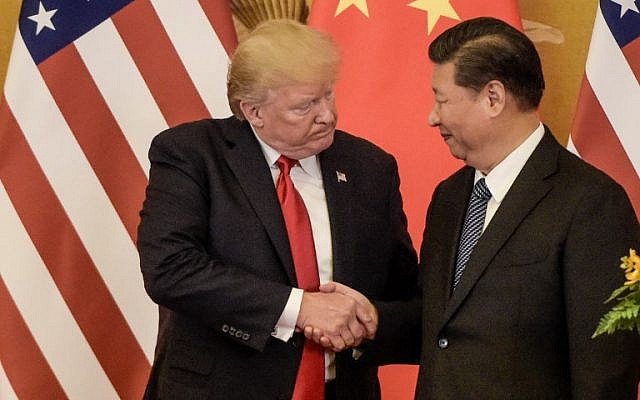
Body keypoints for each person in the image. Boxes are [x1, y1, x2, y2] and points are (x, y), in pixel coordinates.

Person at [137, 19, 417, 400]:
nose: (327, 115)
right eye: (304, 106)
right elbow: (170, 269)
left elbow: (403, 294)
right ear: (253, 112)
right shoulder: (193, 154)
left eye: (329, 95)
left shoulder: (369, 167)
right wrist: (300, 309)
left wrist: (369, 319)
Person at [415, 17, 640, 399]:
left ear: (493, 98)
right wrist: (367, 318)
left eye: (441, 99)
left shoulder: (592, 204)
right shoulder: (450, 196)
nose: (432, 116)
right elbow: (441, 323)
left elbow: (605, 369)